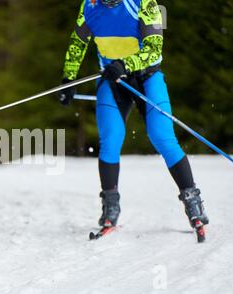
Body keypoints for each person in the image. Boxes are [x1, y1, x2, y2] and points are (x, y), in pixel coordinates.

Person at [58, 0, 209, 231]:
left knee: (162, 137)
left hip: (147, 78)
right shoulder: (89, 5)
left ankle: (193, 202)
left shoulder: (145, 3)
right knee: (111, 138)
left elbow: (154, 49)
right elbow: (77, 43)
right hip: (113, 80)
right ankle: (110, 206)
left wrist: (125, 64)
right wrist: (69, 80)